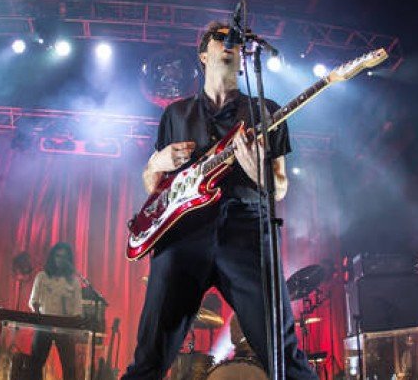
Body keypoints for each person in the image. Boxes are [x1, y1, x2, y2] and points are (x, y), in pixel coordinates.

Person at [123, 21, 317, 379]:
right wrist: (157, 162)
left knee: (283, 353)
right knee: (149, 356)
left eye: (236, 41)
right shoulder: (175, 114)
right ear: (203, 54)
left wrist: (258, 171)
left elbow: (279, 187)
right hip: (182, 233)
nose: (230, 43)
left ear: (243, 59)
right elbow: (154, 186)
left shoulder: (266, 110)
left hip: (246, 228)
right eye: (220, 37)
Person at [27, 242, 84, 380]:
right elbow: (33, 301)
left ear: (69, 260)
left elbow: (77, 309)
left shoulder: (74, 281)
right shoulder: (42, 276)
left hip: (65, 328)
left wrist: (75, 330)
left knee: (69, 368)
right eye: (58, 256)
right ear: (52, 257)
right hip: (43, 326)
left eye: (64, 257)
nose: (60, 260)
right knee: (35, 365)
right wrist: (39, 320)